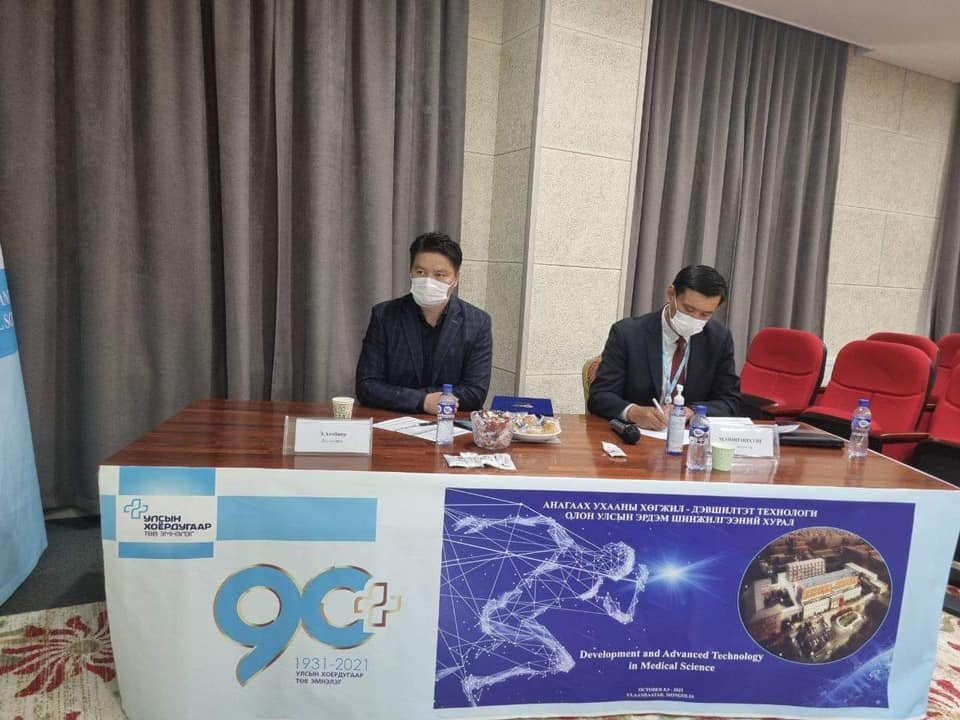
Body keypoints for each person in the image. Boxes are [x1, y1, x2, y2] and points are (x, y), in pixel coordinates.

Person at [587, 264, 740, 429]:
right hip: (637, 435)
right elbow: (600, 396)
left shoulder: (718, 339)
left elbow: (730, 400)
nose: (695, 319)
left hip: (689, 437)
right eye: (689, 309)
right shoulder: (628, 334)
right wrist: (633, 412)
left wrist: (692, 411)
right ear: (671, 294)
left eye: (705, 314)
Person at [356, 232, 492, 414]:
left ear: (456, 278)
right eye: (420, 272)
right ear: (410, 272)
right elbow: (366, 386)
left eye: (440, 274)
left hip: (450, 423)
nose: (428, 282)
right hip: (392, 421)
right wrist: (422, 401)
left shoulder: (478, 322)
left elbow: (475, 393)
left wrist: (428, 400)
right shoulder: (384, 315)